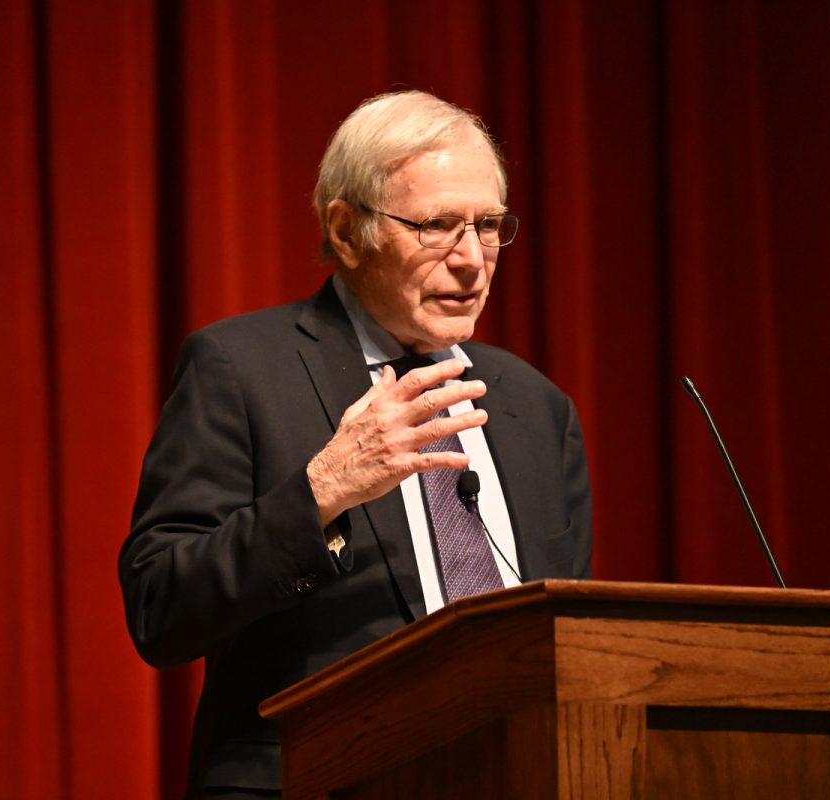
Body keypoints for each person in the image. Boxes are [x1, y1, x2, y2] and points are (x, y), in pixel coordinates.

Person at [119, 90, 592, 798]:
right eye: (437, 226)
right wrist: (320, 493)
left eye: (488, 225)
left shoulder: (535, 407)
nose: (472, 260)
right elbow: (162, 607)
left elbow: (572, 639)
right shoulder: (241, 371)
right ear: (347, 231)